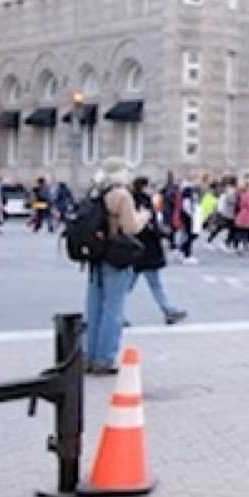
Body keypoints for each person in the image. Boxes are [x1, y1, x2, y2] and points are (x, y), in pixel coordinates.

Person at [83, 158, 145, 375]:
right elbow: (130, 227)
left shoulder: (96, 192)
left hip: (95, 254)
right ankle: (105, 358)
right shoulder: (122, 195)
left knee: (94, 307)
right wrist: (144, 217)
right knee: (113, 308)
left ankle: (87, 355)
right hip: (116, 253)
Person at [127, 177, 188, 326]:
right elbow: (147, 226)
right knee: (136, 285)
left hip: (140, 249)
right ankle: (169, 311)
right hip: (145, 249)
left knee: (131, 285)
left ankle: (169, 311)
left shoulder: (135, 200)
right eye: (150, 186)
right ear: (143, 187)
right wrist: (161, 233)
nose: (152, 189)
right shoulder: (142, 202)